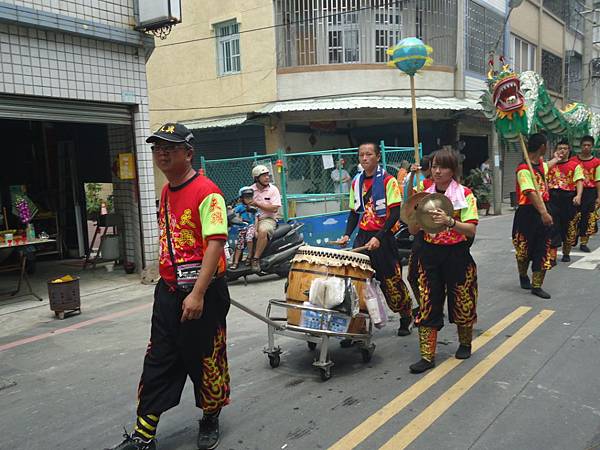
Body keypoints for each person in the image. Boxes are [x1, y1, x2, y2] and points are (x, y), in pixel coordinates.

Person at [107, 123, 231, 450]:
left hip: (203, 293)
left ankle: (210, 417)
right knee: (159, 358)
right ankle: (144, 435)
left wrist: (199, 293)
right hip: (169, 291)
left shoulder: (208, 193)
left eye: (170, 147)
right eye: (157, 147)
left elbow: (215, 244)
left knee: (204, 357)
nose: (161, 153)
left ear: (188, 153)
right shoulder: (165, 191)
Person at [407, 148, 479, 374]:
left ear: (453, 170)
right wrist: (414, 212)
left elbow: (471, 230)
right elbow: (411, 228)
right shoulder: (423, 194)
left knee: (463, 300)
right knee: (428, 302)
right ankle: (427, 356)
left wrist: (449, 221)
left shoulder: (465, 194)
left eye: (443, 167)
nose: (437, 171)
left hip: (457, 254)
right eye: (434, 166)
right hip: (430, 255)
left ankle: (465, 343)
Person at [338, 142, 413, 337]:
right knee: (358, 284)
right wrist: (347, 234)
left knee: (391, 281)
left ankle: (406, 315)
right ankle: (358, 328)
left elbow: (395, 214)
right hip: (363, 238)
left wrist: (379, 237)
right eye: (361, 155)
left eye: (369, 154)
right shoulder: (356, 182)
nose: (364, 158)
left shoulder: (388, 181)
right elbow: (354, 212)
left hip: (384, 237)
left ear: (377, 157)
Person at [512, 133, 558, 299]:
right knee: (523, 248)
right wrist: (544, 213)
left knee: (542, 248)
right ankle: (523, 276)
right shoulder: (523, 170)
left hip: (543, 210)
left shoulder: (539, 165)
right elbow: (530, 192)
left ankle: (537, 285)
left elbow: (548, 166)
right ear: (542, 147)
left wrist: (557, 158)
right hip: (528, 213)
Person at [547, 140, 583, 262]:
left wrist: (578, 195)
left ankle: (566, 253)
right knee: (553, 226)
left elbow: (579, 181)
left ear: (569, 150)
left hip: (568, 198)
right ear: (555, 150)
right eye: (560, 148)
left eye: (565, 148)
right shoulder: (550, 164)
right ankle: (552, 255)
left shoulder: (575, 166)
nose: (562, 150)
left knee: (568, 226)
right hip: (552, 198)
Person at [570, 135, 600, 252]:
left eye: (589, 145)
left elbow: (598, 180)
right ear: (580, 146)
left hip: (590, 193)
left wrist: (598, 197)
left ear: (592, 147)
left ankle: (584, 242)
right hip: (575, 192)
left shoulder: (597, 162)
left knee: (587, 217)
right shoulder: (573, 160)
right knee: (573, 216)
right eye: (584, 145)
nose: (586, 147)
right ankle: (572, 238)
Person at [249, 165, 281, 273]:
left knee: (262, 231)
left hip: (267, 219)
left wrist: (258, 204)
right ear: (256, 178)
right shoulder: (250, 190)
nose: (267, 177)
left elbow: (274, 208)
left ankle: (256, 259)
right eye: (264, 176)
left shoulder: (273, 190)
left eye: (268, 175)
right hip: (252, 218)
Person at [230, 186, 257, 270]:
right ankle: (236, 262)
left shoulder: (254, 207)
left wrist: (256, 229)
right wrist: (229, 209)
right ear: (242, 199)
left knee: (249, 238)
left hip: (251, 226)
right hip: (243, 227)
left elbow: (257, 218)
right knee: (239, 244)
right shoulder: (240, 207)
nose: (249, 199)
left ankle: (249, 256)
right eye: (246, 197)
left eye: (250, 197)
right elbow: (232, 212)